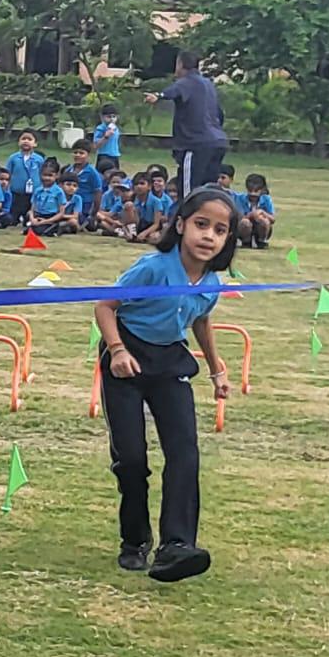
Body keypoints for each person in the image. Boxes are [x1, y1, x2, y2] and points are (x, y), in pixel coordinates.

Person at [94, 188, 238, 582]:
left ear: (228, 240)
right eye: (201, 224)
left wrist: (216, 371)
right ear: (180, 225)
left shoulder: (211, 284)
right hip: (126, 359)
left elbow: (201, 321)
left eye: (220, 230)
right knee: (133, 460)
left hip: (170, 362)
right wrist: (118, 350)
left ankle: (176, 546)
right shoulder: (153, 267)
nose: (209, 236)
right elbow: (105, 306)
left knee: (184, 453)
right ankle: (135, 540)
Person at [146, 50, 227, 193]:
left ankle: (186, 215)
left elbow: (174, 90)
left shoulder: (187, 81)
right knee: (208, 191)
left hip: (196, 145)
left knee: (189, 191)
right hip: (218, 143)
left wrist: (158, 96)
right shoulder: (208, 84)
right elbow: (219, 113)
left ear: (180, 64)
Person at [6, 131, 45, 226]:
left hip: (33, 194)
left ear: (35, 143)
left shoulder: (39, 159)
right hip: (16, 193)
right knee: (12, 219)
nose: (26, 141)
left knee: (29, 218)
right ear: (18, 142)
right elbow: (8, 174)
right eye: (23, 139)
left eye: (29, 139)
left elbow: (42, 174)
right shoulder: (13, 158)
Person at [66, 143, 104, 228]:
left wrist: (94, 212)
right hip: (70, 203)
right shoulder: (68, 170)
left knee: (73, 223)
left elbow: (98, 192)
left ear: (88, 155)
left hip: (85, 205)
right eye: (75, 152)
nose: (78, 155)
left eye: (81, 153)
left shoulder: (92, 172)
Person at [235, 173, 276, 248]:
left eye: (256, 191)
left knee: (263, 220)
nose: (253, 194)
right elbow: (239, 217)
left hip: (261, 227)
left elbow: (273, 219)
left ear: (262, 190)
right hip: (244, 226)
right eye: (250, 190)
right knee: (245, 222)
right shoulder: (240, 198)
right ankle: (246, 241)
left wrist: (262, 212)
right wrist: (252, 214)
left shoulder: (266, 199)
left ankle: (261, 240)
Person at [141, 172, 177, 246]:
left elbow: (166, 218)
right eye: (154, 181)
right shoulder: (145, 196)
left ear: (165, 184)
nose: (156, 183)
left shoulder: (167, 200)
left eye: (159, 181)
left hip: (159, 225)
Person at [96, 173, 134, 237]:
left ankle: (115, 232)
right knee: (102, 220)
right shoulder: (106, 195)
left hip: (124, 220)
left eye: (125, 191)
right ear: (109, 183)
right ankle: (116, 231)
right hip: (114, 219)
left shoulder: (130, 199)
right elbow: (110, 213)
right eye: (113, 182)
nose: (115, 184)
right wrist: (113, 221)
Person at [92, 103, 123, 174]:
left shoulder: (115, 128)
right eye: (109, 117)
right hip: (104, 155)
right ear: (102, 117)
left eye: (114, 116)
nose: (112, 119)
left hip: (114, 155)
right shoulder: (100, 128)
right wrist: (106, 137)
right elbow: (95, 145)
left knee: (115, 175)